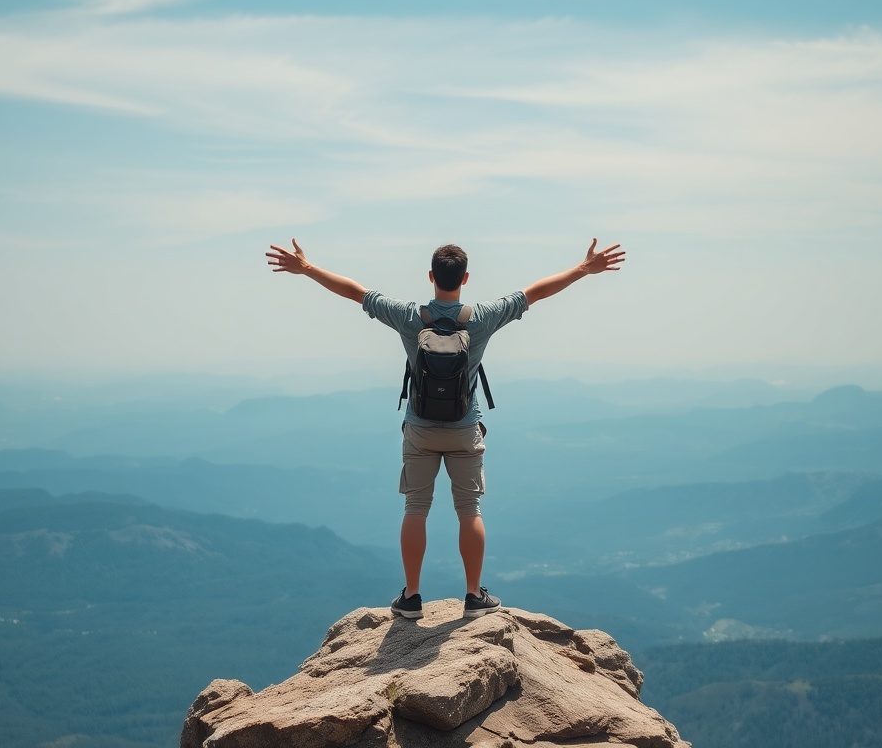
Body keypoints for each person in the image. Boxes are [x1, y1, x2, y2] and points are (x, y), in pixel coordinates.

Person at [265, 238, 625, 619]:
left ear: (431, 276)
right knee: (469, 509)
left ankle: (412, 597)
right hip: (464, 428)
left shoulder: (408, 317)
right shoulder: (483, 317)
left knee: (415, 507)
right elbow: (535, 292)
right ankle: (473, 596)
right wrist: (584, 269)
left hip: (419, 429)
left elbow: (355, 292)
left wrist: (306, 268)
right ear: (465, 278)